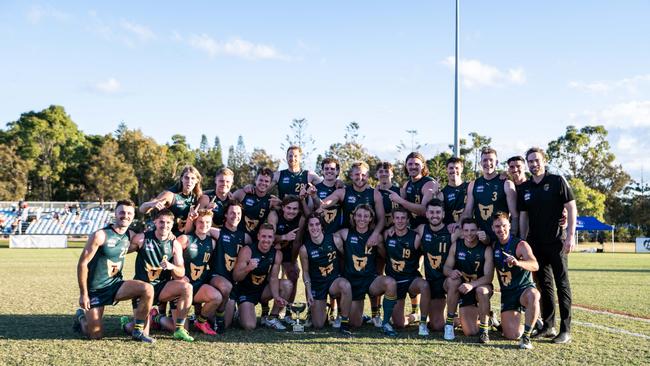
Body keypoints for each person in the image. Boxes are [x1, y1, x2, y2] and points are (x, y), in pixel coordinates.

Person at [73, 199, 154, 342]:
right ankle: (81, 318)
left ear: (133, 215)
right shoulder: (100, 235)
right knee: (95, 335)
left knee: (147, 289)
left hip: (116, 285)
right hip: (96, 289)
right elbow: (82, 264)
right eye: (122, 212)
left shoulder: (130, 235)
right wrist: (83, 294)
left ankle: (138, 330)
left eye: (129, 213)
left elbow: (143, 242)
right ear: (115, 214)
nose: (125, 215)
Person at [519, 147, 577, 344]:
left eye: (537, 160)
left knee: (562, 284)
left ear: (544, 161)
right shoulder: (526, 187)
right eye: (530, 161)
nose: (534, 164)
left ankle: (566, 329)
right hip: (536, 243)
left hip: (556, 241)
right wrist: (522, 239)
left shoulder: (556, 181)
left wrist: (570, 235)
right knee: (544, 285)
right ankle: (549, 325)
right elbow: (524, 216)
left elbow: (571, 206)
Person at [122, 209, 195, 342]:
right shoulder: (142, 238)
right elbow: (121, 251)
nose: (164, 225)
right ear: (155, 222)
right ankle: (127, 325)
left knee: (187, 287)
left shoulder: (175, 244)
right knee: (143, 332)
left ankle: (179, 329)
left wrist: (172, 266)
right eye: (161, 222)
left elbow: (181, 272)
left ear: (172, 224)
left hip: (162, 288)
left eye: (168, 222)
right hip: (142, 289)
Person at [335, 204, 399, 336]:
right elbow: (331, 239)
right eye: (359, 215)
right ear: (354, 217)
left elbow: (384, 256)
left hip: (370, 280)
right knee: (355, 323)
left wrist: (379, 244)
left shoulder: (376, 236)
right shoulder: (345, 233)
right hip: (352, 281)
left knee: (390, 283)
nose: (362, 219)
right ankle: (361, 316)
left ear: (371, 219)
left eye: (366, 216)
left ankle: (385, 323)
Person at [491, 212, 540, 349]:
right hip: (507, 293)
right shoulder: (493, 246)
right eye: (497, 226)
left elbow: (535, 265)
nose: (501, 229)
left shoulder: (520, 244)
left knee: (534, 295)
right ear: (492, 228)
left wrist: (518, 263)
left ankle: (527, 337)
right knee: (511, 335)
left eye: (504, 225)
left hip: (523, 290)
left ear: (510, 225)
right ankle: (532, 322)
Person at [232, 223, 293, 330]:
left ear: (274, 238)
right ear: (258, 236)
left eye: (270, 237)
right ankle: (240, 312)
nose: (266, 240)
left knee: (287, 284)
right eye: (264, 236)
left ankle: (272, 318)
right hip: (246, 292)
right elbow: (236, 277)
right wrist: (248, 268)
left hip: (262, 290)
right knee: (249, 326)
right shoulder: (247, 250)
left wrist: (276, 296)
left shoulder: (277, 254)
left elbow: (274, 278)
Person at [299, 213, 353, 334]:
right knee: (318, 324)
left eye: (317, 224)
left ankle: (344, 322)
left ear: (322, 226)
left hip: (334, 280)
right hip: (318, 284)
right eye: (311, 225)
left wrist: (343, 276)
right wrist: (308, 291)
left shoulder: (335, 239)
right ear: (307, 228)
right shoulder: (304, 249)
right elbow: (306, 272)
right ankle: (324, 309)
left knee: (345, 285)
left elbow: (344, 258)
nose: (314, 228)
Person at [443, 218, 494, 343]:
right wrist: (451, 272)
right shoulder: (456, 245)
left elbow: (489, 277)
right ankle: (449, 324)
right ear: (462, 231)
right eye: (466, 230)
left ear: (478, 231)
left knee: (482, 291)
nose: (469, 233)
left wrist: (472, 285)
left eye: (472, 230)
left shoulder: (486, 249)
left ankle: (484, 330)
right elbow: (446, 268)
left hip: (478, 287)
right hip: (461, 289)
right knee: (452, 281)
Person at [383, 207, 430, 336]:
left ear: (408, 220)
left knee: (424, 285)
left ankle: (423, 323)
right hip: (394, 282)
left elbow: (424, 253)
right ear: (393, 219)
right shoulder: (387, 234)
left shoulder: (415, 237)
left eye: (403, 218)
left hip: (411, 279)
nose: (400, 221)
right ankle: (413, 317)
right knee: (399, 324)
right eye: (397, 218)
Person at [173, 209, 221, 336]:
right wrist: (179, 277)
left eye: (207, 222)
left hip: (198, 286)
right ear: (195, 223)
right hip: (181, 287)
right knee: (183, 329)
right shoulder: (185, 239)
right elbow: (171, 260)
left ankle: (201, 321)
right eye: (200, 222)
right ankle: (156, 317)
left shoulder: (212, 242)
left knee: (217, 297)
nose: (204, 225)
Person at [208, 201, 252, 333]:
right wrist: (207, 211)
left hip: (236, 283)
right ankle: (204, 315)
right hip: (218, 279)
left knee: (227, 325)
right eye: (232, 212)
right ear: (226, 215)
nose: (235, 215)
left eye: (238, 213)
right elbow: (200, 226)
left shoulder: (245, 237)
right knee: (220, 320)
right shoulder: (217, 232)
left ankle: (233, 313)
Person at [317, 161, 385, 246]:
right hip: (347, 235)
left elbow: (382, 219)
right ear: (351, 176)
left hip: (368, 235)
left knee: (380, 240)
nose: (360, 177)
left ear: (367, 176)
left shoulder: (375, 194)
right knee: (336, 239)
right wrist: (312, 195)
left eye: (363, 175)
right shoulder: (342, 192)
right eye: (357, 174)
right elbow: (323, 204)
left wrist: (375, 234)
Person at [462, 147, 518, 243]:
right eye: (485, 160)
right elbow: (468, 212)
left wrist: (511, 239)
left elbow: (515, 215)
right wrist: (458, 225)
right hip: (481, 238)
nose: (488, 163)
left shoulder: (506, 183)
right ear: (480, 163)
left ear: (496, 162)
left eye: (491, 160)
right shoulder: (473, 184)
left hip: (501, 238)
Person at [267, 195, 306, 324]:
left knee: (293, 274)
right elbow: (269, 236)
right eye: (288, 208)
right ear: (283, 207)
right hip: (272, 249)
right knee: (268, 276)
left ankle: (289, 311)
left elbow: (297, 241)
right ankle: (265, 309)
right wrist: (284, 237)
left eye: (295, 209)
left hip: (289, 250)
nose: (291, 211)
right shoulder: (274, 214)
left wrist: (292, 261)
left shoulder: (300, 218)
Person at [417, 198, 452, 331]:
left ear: (443, 214)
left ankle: (472, 317)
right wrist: (390, 231)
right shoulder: (421, 229)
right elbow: (404, 233)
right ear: (426, 214)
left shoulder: (452, 231)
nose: (434, 215)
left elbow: (471, 236)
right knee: (437, 326)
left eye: (438, 212)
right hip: (432, 281)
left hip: (448, 280)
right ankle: (416, 316)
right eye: (431, 212)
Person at [139, 165, 203, 236]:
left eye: (193, 178)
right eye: (186, 178)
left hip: (184, 236)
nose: (189, 181)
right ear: (182, 179)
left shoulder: (198, 197)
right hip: (165, 236)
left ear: (197, 180)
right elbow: (142, 209)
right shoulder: (170, 195)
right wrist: (151, 204)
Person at [389, 152, 441, 228]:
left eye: (417, 164)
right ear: (406, 166)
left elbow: (424, 211)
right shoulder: (407, 184)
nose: (413, 167)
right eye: (410, 164)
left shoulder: (428, 183)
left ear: (423, 166)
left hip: (427, 229)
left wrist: (400, 200)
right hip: (412, 228)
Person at [231, 168, 278, 238]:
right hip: (235, 235)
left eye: (266, 181)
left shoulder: (271, 201)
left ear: (270, 183)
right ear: (256, 180)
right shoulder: (242, 193)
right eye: (261, 180)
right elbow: (227, 203)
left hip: (254, 240)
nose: (263, 183)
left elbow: (286, 210)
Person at [441, 157, 468, 226]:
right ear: (446, 169)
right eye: (451, 168)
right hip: (452, 230)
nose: (454, 170)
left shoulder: (470, 187)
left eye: (457, 168)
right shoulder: (443, 193)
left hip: (469, 230)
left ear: (462, 169)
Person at [375, 161, 401, 229]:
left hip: (396, 230)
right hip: (377, 230)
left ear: (392, 174)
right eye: (380, 171)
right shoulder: (373, 193)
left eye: (386, 171)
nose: (383, 174)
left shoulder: (401, 191)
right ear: (376, 174)